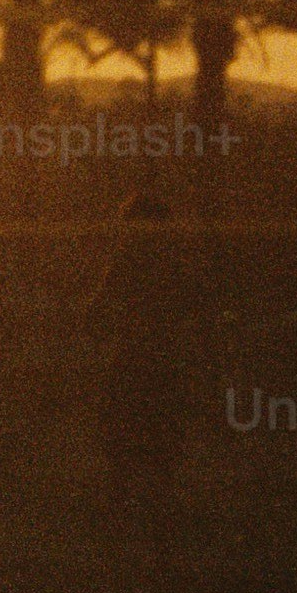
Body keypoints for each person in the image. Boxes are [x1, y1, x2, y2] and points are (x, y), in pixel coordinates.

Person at [86, 189, 204, 558]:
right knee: (161, 460)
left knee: (121, 456)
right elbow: (197, 318)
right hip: (165, 366)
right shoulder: (178, 265)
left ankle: (116, 551)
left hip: (132, 362)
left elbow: (96, 316)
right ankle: (162, 551)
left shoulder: (126, 262)